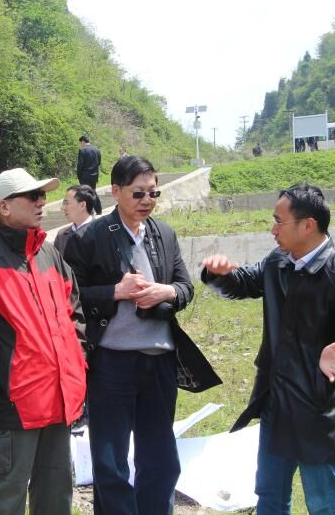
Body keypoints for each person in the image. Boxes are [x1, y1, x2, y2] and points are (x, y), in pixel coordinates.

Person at [201, 183, 335, 514]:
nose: (273, 229)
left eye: (279, 221)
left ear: (308, 225)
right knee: (269, 495)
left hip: (314, 406)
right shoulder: (278, 261)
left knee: (327, 504)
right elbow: (244, 282)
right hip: (275, 399)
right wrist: (218, 274)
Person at [63, 156, 221, 515]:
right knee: (110, 460)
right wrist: (115, 292)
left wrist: (167, 292)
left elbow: (185, 287)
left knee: (160, 457)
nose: (147, 200)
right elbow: (69, 295)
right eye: (138, 193)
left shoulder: (164, 233)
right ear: (115, 191)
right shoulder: (89, 237)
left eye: (153, 193)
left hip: (159, 360)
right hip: (110, 362)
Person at [0, 167, 87, 515]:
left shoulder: (49, 254)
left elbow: (73, 314)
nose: (42, 202)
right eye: (33, 196)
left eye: (42, 195)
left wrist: (77, 367)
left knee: (56, 495)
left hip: (58, 399)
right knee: (6, 497)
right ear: (4, 206)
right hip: (13, 405)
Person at [54, 184, 96, 255]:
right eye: (64, 203)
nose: (63, 208)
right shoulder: (61, 235)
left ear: (82, 205)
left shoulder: (101, 231)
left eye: (66, 203)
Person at [78, 135, 103, 214]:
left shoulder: (82, 151)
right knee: (93, 192)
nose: (80, 145)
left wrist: (79, 175)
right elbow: (99, 163)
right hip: (94, 175)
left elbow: (80, 165)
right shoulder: (97, 150)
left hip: (85, 176)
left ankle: (90, 211)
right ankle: (98, 210)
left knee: (85, 193)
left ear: (83, 141)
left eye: (80, 143)